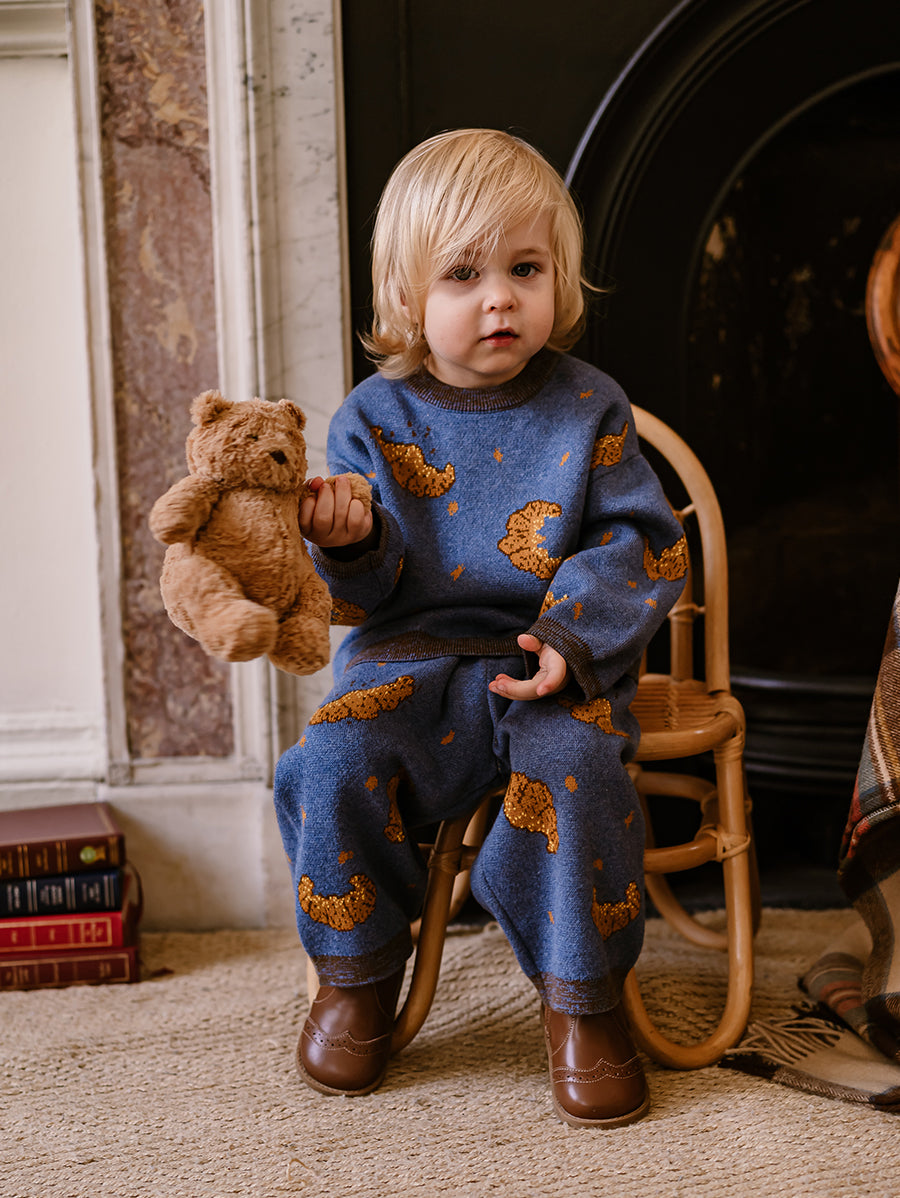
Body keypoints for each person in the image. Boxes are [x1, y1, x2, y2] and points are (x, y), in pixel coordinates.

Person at [273, 128, 687, 1128]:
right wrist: (352, 539)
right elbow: (364, 596)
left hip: (551, 659)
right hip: (408, 659)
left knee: (576, 768)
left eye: (524, 269)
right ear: (408, 295)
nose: (499, 298)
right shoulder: (372, 419)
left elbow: (641, 542)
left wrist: (571, 638)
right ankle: (359, 972)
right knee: (332, 754)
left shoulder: (590, 406)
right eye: (464, 274)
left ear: (559, 279)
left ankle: (582, 1000)